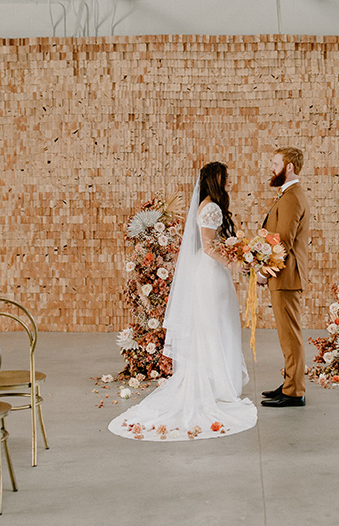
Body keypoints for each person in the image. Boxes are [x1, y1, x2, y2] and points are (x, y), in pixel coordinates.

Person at [109, 162, 257, 441]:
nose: (229, 183)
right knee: (217, 324)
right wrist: (234, 264)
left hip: (208, 273)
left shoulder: (207, 205)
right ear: (216, 180)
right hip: (212, 274)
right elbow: (210, 246)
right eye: (226, 178)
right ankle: (218, 386)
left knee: (214, 324)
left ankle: (216, 381)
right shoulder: (211, 207)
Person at [258, 147, 310, 408]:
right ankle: (290, 383)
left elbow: (284, 242)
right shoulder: (288, 195)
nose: (271, 167)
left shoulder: (291, 198)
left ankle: (294, 391)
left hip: (286, 277)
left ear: (289, 167)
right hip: (285, 277)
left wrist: (265, 272)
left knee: (290, 335)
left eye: (275, 162)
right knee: (286, 335)